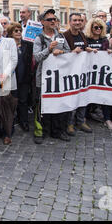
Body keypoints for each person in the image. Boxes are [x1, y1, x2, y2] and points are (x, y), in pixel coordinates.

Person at [33, 9, 71, 144]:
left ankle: (58, 130)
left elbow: (68, 52)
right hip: (43, 79)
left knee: (58, 104)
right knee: (41, 105)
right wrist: (49, 50)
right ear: (43, 22)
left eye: (55, 19)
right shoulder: (39, 38)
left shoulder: (60, 36)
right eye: (50, 20)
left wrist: (61, 51)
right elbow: (37, 57)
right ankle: (40, 131)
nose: (53, 21)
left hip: (58, 78)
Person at [63, 13, 93, 134]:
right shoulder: (64, 36)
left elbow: (84, 49)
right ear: (70, 22)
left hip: (82, 73)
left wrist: (88, 50)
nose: (77, 23)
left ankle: (80, 121)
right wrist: (71, 52)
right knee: (71, 98)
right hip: (69, 74)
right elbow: (61, 54)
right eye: (75, 20)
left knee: (82, 96)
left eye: (80, 20)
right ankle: (69, 123)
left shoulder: (82, 35)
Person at [6, 22, 33, 132]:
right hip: (11, 78)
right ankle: (10, 122)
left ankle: (24, 122)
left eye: (20, 30)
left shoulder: (28, 44)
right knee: (12, 101)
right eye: (15, 31)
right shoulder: (6, 44)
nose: (18, 33)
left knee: (23, 101)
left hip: (24, 77)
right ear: (11, 33)